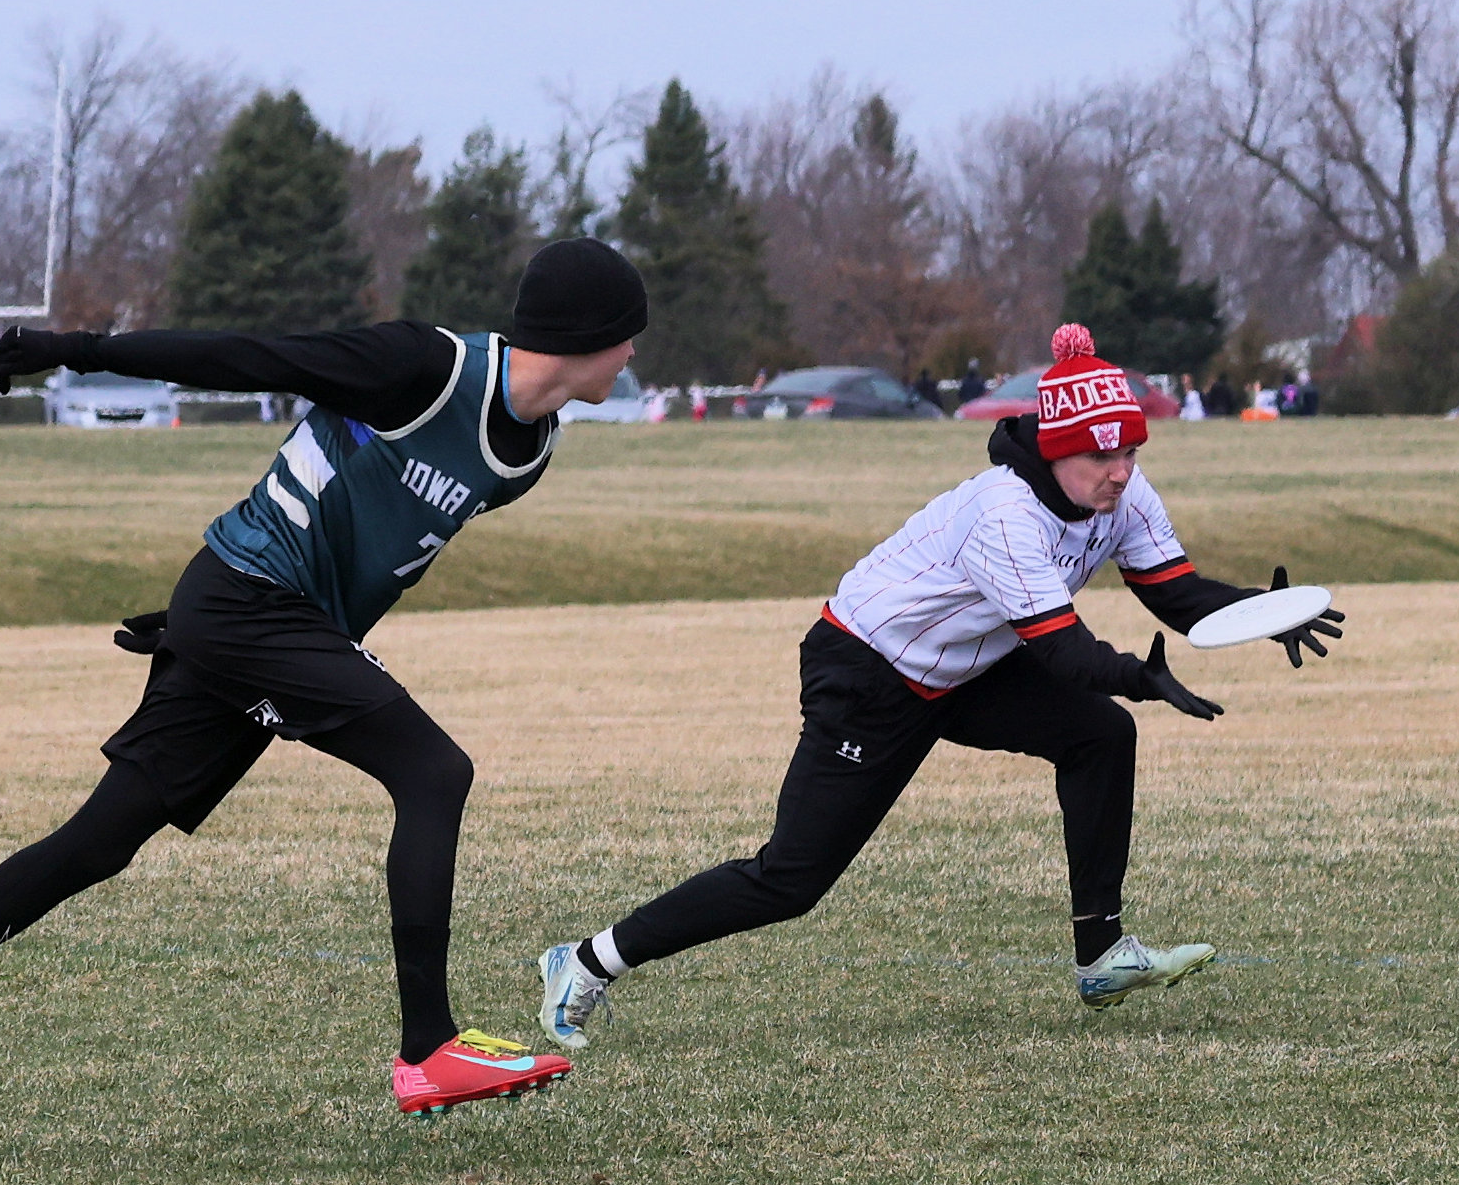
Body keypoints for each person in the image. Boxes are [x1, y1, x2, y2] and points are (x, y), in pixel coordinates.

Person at [0, 238, 648, 1131]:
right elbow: (250, 356)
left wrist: (205, 633)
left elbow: (358, 545)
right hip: (248, 604)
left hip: (249, 620)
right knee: (434, 771)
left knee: (98, 844)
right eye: (626, 334)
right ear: (583, 336)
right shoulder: (424, 368)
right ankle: (427, 1050)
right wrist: (78, 350)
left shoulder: (527, 453)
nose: (634, 352)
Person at [533, 325, 1345, 1052]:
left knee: (1099, 734)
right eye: (1102, 458)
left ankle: (1100, 956)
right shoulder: (1004, 514)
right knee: (789, 880)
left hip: (966, 666)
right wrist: (1139, 676)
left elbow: (1176, 593)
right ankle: (587, 959)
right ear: (1054, 451)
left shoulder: (1120, 494)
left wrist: (1262, 611)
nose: (1121, 473)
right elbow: (1066, 654)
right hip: (868, 669)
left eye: (1130, 453)